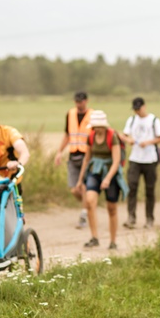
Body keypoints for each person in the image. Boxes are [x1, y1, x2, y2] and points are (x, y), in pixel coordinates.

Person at [75, 110, 125, 249]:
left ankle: (113, 241)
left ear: (103, 126)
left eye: (99, 126)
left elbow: (116, 161)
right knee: (90, 201)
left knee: (111, 208)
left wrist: (108, 179)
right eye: (94, 126)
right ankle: (94, 237)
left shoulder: (112, 136)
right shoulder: (91, 137)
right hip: (95, 171)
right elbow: (87, 159)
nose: (97, 128)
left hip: (110, 172)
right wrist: (80, 180)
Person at [121, 97, 160, 229]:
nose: (137, 111)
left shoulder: (154, 120)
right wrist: (129, 140)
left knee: (149, 190)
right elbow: (123, 135)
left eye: (139, 109)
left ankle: (149, 218)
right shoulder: (132, 120)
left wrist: (149, 142)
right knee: (132, 187)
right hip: (135, 159)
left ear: (144, 106)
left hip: (150, 159)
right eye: (135, 109)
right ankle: (131, 217)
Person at [54, 92, 92, 229]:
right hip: (73, 155)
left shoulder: (92, 115)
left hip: (87, 156)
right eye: (76, 101)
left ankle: (83, 215)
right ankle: (89, 204)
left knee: (83, 186)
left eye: (81, 101)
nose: (79, 104)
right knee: (74, 189)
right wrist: (59, 152)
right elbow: (67, 135)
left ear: (86, 101)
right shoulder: (70, 114)